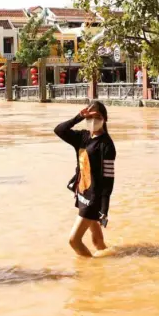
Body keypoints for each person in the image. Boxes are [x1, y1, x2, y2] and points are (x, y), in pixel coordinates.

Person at [54, 101, 116, 257]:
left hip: (94, 198)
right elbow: (59, 130)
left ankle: (93, 272)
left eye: (97, 116)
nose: (93, 120)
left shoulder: (106, 145)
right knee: (97, 242)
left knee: (74, 241)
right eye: (90, 116)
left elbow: (108, 178)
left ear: (105, 118)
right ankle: (108, 263)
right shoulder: (82, 137)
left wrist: (104, 207)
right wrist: (79, 117)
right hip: (82, 191)